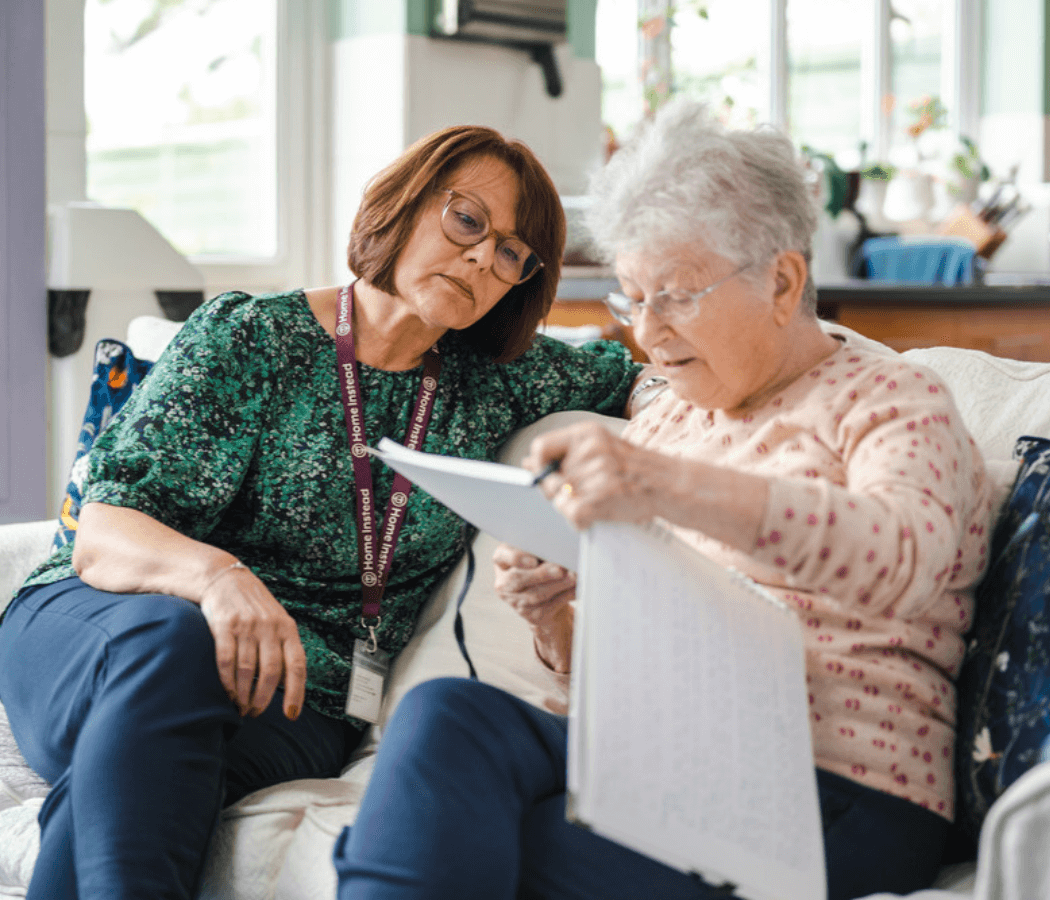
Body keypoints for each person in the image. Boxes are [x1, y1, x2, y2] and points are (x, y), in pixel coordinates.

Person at [332, 101, 993, 900]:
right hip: (667, 756)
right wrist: (556, 619)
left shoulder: (892, 400)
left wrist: (667, 486)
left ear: (781, 282)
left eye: (675, 296)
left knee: (505, 851)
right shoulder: (670, 412)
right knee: (447, 716)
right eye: (631, 298)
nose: (646, 333)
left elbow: (905, 557)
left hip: (834, 789)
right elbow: (636, 659)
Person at [0, 125, 648, 900]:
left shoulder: (501, 381)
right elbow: (102, 534)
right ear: (402, 206)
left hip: (300, 697)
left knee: (149, 782)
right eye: (467, 220)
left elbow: (655, 377)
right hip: (107, 628)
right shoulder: (252, 338)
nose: (482, 257)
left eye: (512, 253)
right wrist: (219, 579)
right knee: (176, 645)